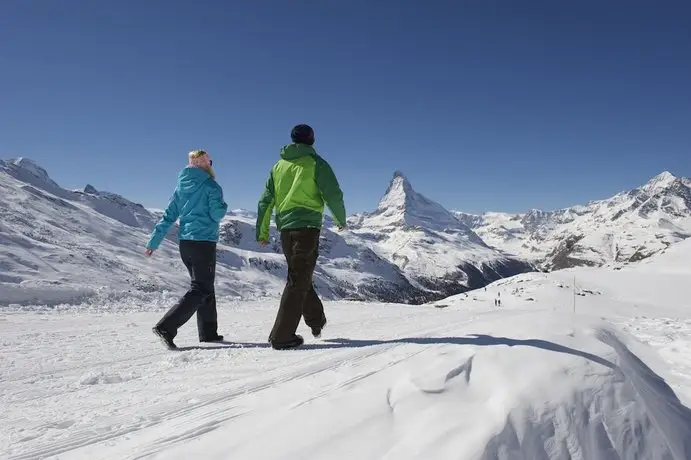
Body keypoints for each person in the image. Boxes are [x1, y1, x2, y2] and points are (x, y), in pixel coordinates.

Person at [256, 124, 346, 350]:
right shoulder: (317, 163)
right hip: (307, 227)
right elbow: (332, 193)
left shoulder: (278, 166)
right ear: (311, 139)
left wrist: (262, 231)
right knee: (298, 279)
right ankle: (282, 336)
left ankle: (316, 320)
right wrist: (340, 219)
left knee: (299, 276)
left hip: (285, 228)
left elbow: (266, 200)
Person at [145, 149, 228, 349]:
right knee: (202, 287)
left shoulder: (180, 187)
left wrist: (153, 242)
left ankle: (208, 332)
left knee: (204, 285)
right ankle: (166, 326)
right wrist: (223, 206)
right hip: (203, 243)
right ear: (205, 164)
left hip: (186, 244)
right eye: (209, 162)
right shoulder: (211, 186)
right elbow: (217, 215)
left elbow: (168, 216)